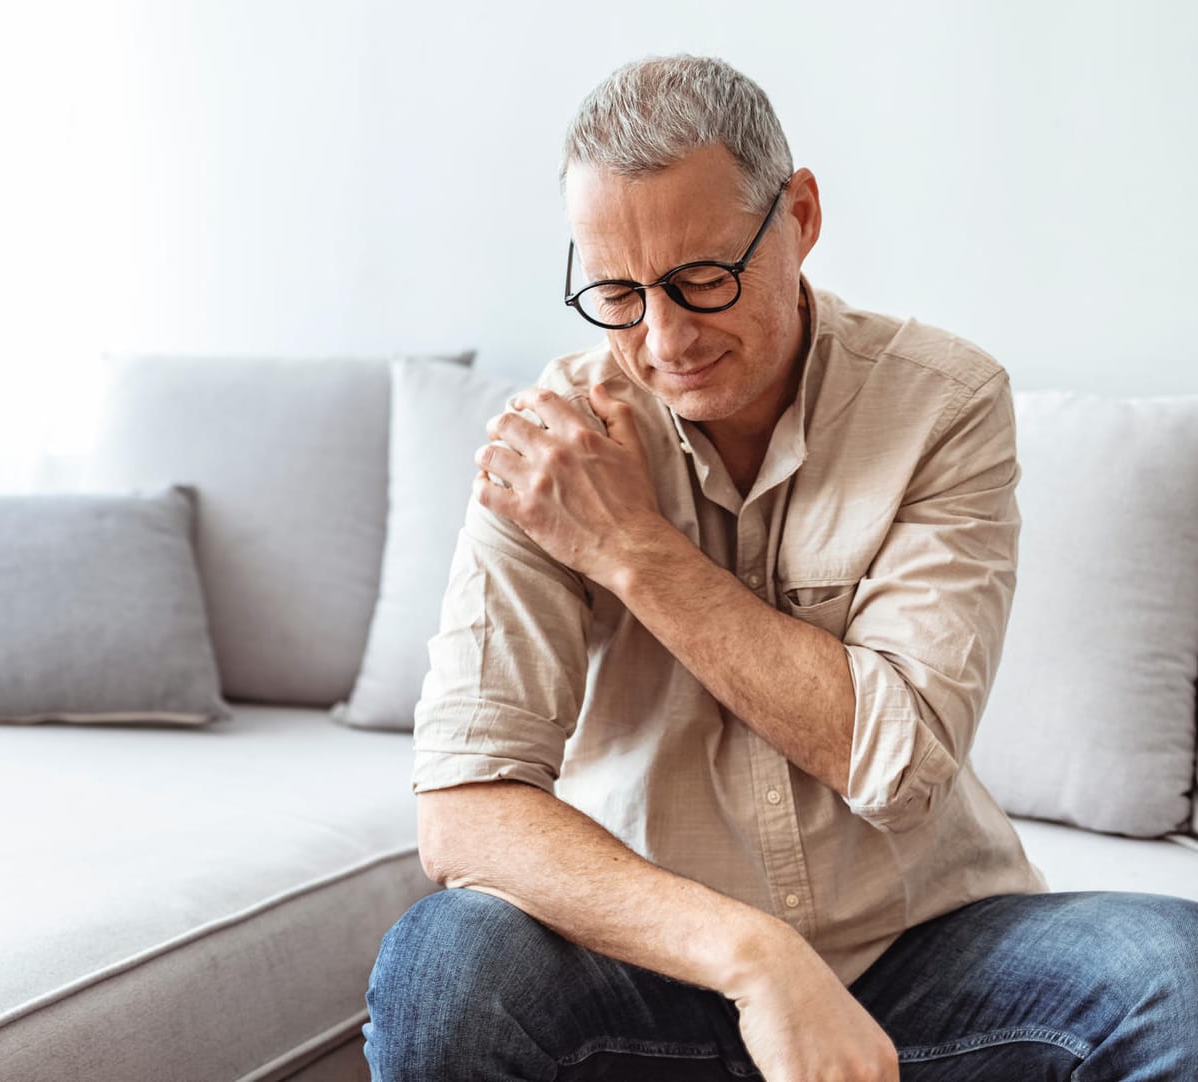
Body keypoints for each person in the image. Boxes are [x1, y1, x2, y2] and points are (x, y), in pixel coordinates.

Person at [362, 54, 1198, 1081]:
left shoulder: (946, 403)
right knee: (441, 967)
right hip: (653, 959)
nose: (664, 338)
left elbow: (899, 764)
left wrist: (634, 548)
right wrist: (753, 956)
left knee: (1179, 971)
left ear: (799, 215)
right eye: (618, 294)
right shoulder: (555, 447)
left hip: (922, 949)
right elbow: (463, 809)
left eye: (702, 279)